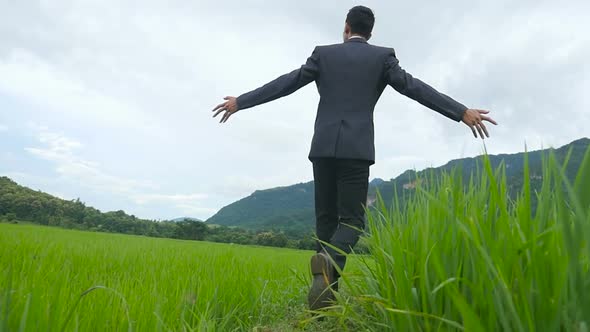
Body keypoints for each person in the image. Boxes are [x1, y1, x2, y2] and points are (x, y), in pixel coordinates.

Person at [211, 5, 497, 310]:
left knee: (325, 223)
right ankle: (329, 269)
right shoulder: (383, 57)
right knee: (352, 222)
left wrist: (241, 102)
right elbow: (416, 89)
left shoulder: (323, 54)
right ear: (370, 33)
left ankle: (324, 305)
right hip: (356, 150)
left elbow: (286, 84)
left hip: (322, 147)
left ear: (346, 28)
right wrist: (460, 111)